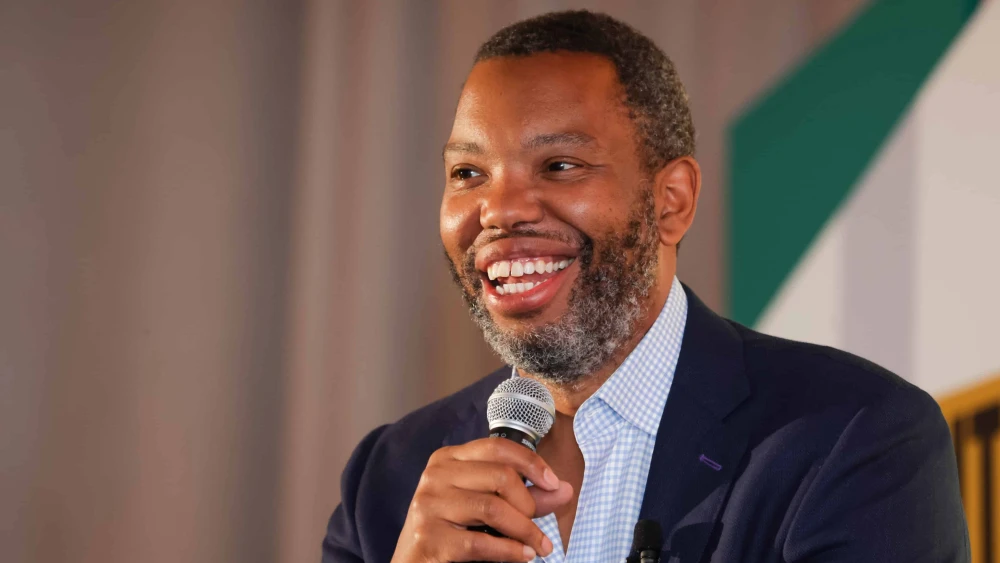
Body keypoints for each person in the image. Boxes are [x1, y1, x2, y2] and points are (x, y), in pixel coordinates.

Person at [322, 10, 968, 563]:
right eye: (467, 171)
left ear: (671, 201)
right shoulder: (390, 478)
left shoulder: (854, 435)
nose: (498, 209)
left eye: (560, 165)